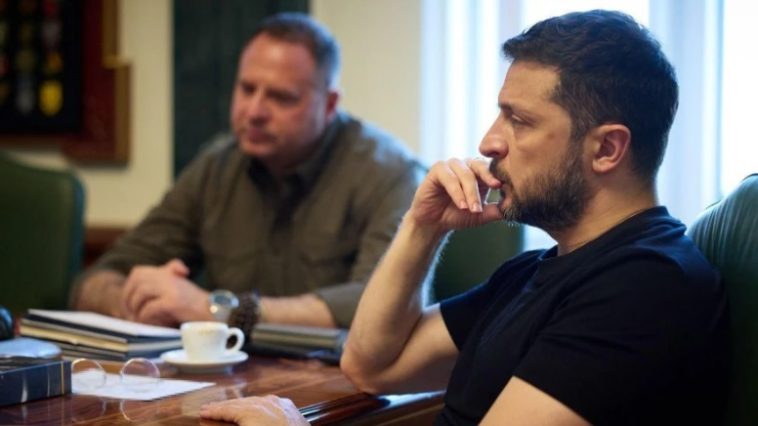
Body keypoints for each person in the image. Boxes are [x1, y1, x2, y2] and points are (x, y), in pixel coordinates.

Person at [198, 10, 729, 425]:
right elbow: (370, 366)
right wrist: (422, 226)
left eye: (519, 120)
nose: (489, 141)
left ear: (607, 149)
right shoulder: (535, 271)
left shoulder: (645, 286)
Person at [69, 13, 423, 331]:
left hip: (340, 377)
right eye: (247, 89)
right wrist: (137, 303)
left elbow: (383, 306)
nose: (254, 111)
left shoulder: (390, 173)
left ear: (329, 104)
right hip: (232, 373)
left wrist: (220, 311)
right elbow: (95, 280)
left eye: (281, 97)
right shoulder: (216, 166)